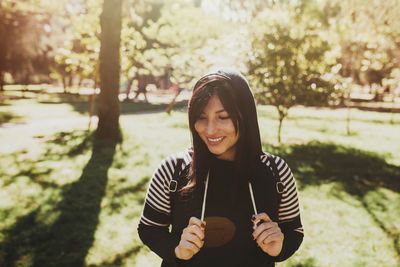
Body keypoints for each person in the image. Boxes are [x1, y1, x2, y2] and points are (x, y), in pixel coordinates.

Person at [138, 68, 304, 267]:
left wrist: (279, 248)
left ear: (246, 116)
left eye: (223, 116)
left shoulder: (276, 171)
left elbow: (294, 231)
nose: (209, 129)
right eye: (201, 117)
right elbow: (149, 228)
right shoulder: (172, 170)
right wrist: (177, 249)